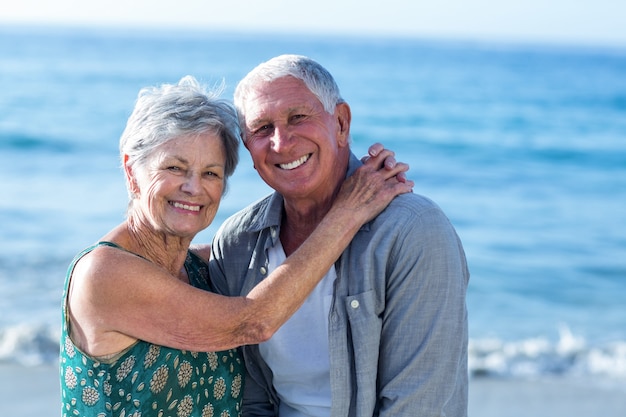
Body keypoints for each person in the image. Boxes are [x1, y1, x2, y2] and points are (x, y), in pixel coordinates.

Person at [59, 75, 414, 417]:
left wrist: (339, 189)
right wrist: (349, 211)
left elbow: (288, 248)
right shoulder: (103, 274)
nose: (193, 188)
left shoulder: (205, 267)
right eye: (175, 167)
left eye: (211, 173)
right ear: (131, 171)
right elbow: (254, 322)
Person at [206, 55, 470, 417]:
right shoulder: (237, 243)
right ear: (249, 148)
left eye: (298, 117)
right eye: (263, 128)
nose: (281, 142)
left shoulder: (414, 231)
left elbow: (415, 407)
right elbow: (250, 400)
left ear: (342, 123)